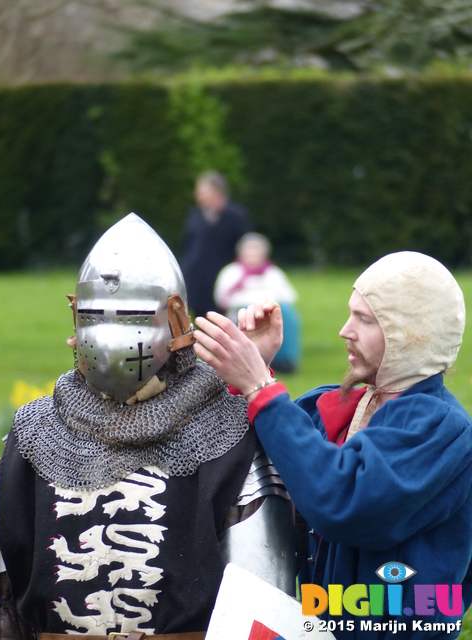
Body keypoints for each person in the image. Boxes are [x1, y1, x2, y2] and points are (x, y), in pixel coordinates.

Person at [0, 213, 296, 639]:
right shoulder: (35, 431)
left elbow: (262, 602)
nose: (114, 338)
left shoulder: (230, 435)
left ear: (177, 320)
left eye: (134, 316)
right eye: (97, 316)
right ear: (76, 319)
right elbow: (1, 601)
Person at [193, 251, 472, 640]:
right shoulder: (336, 407)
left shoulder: (440, 429)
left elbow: (342, 501)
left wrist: (262, 387)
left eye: (365, 319)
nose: (345, 330)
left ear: (411, 335)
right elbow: (247, 457)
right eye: (350, 313)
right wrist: (252, 373)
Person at [214, 232, 300, 373]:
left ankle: (285, 360)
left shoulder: (272, 273)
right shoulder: (231, 272)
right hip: (243, 308)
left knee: (287, 314)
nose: (252, 257)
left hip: (270, 307)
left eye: (256, 253)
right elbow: (222, 299)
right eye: (249, 253)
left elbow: (289, 295)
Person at [180, 171, 251, 318]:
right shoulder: (195, 215)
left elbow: (245, 247)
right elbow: (188, 245)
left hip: (222, 278)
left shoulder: (236, 216)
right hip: (198, 282)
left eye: (202, 192)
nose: (198, 195)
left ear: (216, 192)